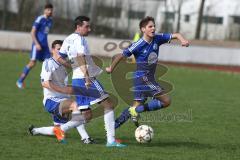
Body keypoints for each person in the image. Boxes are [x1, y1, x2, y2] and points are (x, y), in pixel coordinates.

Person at [106, 16, 190, 128]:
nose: (153, 28)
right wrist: (111, 68)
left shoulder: (157, 38)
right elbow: (121, 55)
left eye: (154, 26)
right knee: (166, 101)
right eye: (150, 26)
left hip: (145, 79)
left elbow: (176, 35)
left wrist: (183, 40)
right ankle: (135, 111)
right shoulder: (138, 45)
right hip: (143, 79)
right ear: (143, 29)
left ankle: (112, 128)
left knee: (135, 106)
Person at [59, 16, 126, 148]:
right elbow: (80, 56)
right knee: (109, 104)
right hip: (86, 79)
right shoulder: (79, 39)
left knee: (87, 115)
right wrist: (86, 76)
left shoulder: (68, 39)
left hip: (76, 80)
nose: (89, 29)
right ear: (78, 27)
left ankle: (60, 129)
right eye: (87, 26)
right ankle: (111, 141)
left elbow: (59, 57)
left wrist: (73, 67)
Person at [29, 40, 93, 144]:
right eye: (58, 49)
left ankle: (35, 130)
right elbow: (45, 83)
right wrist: (63, 90)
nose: (61, 52)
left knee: (83, 115)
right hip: (51, 101)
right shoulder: (49, 63)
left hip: (63, 100)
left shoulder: (64, 65)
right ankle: (85, 138)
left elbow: (63, 84)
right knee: (75, 106)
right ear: (52, 50)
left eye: (62, 50)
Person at [16, 3, 54, 89]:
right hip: (37, 45)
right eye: (48, 9)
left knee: (49, 63)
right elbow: (32, 32)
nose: (50, 11)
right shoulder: (40, 19)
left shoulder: (50, 20)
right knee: (32, 63)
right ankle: (19, 81)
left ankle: (46, 84)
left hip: (45, 46)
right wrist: (36, 44)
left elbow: (44, 34)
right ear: (45, 10)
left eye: (51, 10)